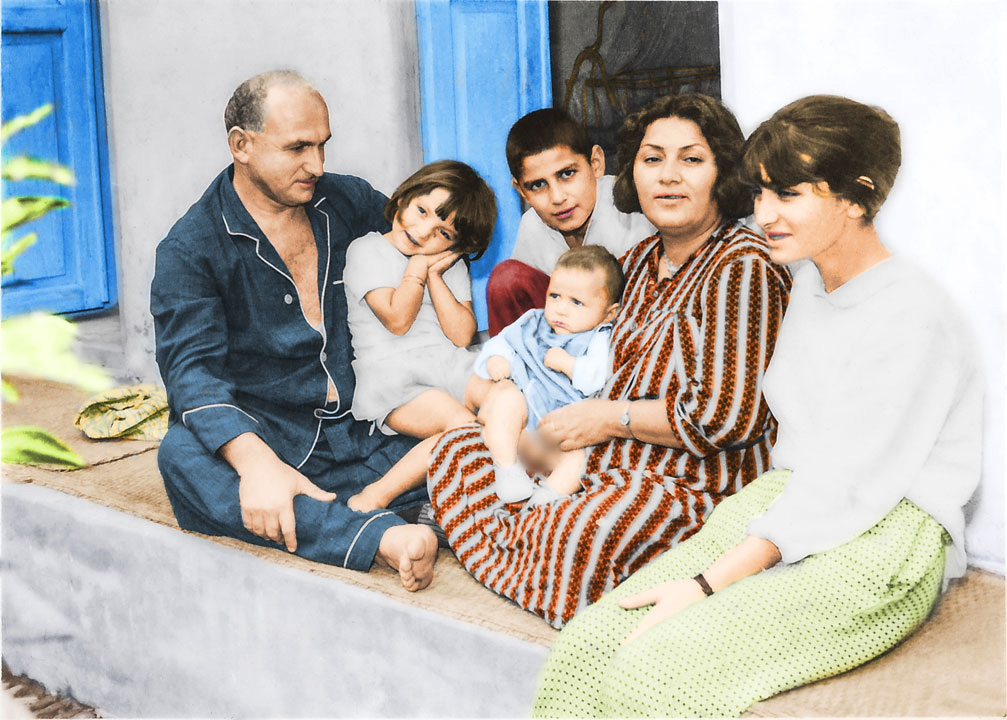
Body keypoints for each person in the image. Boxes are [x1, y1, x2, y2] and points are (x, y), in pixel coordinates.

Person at [532, 95, 983, 717]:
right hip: (784, 499)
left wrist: (705, 583)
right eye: (763, 192)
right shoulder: (809, 284)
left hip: (884, 538)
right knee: (584, 650)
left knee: (651, 674)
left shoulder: (911, 315)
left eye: (788, 195)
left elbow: (845, 488)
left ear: (856, 198)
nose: (764, 213)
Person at [428, 94, 792, 628]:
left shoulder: (744, 266)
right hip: (602, 458)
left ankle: (527, 547)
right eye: (652, 159)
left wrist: (606, 419)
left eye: (691, 159)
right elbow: (589, 366)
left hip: (690, 484)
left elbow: (724, 420)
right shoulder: (636, 263)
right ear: (632, 173)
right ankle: (535, 550)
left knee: (584, 529)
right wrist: (550, 430)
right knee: (457, 451)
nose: (668, 176)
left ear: (722, 171)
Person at [151, 70, 438, 592]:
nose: (318, 165)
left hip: (375, 427)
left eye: (323, 144)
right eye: (298, 148)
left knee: (488, 418)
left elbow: (439, 236)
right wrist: (256, 463)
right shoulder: (191, 249)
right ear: (241, 145)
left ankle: (345, 516)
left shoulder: (348, 203)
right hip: (278, 443)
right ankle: (380, 534)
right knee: (182, 456)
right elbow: (191, 372)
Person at [341, 160, 495, 512]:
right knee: (464, 427)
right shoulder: (367, 250)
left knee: (505, 398)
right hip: (394, 377)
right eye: (422, 211)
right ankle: (377, 494)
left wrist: (436, 277)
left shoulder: (446, 265)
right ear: (403, 199)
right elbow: (397, 319)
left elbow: (461, 336)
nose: (424, 232)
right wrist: (417, 267)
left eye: (443, 233)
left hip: (446, 362)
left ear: (456, 245)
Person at [471, 246, 623, 505]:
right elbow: (502, 341)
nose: (561, 309)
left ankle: (549, 496)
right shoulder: (533, 321)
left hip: (566, 433)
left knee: (582, 459)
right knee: (506, 400)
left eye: (577, 302)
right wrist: (497, 359)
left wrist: (569, 364)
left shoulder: (599, 338)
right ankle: (507, 468)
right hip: (524, 418)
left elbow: (595, 378)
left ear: (609, 313)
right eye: (555, 296)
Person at [486, 108, 654, 335]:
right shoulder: (532, 226)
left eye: (567, 174)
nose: (557, 198)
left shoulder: (632, 206)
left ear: (596, 163)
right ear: (522, 191)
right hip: (564, 339)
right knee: (507, 279)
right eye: (537, 185)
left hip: (629, 334)